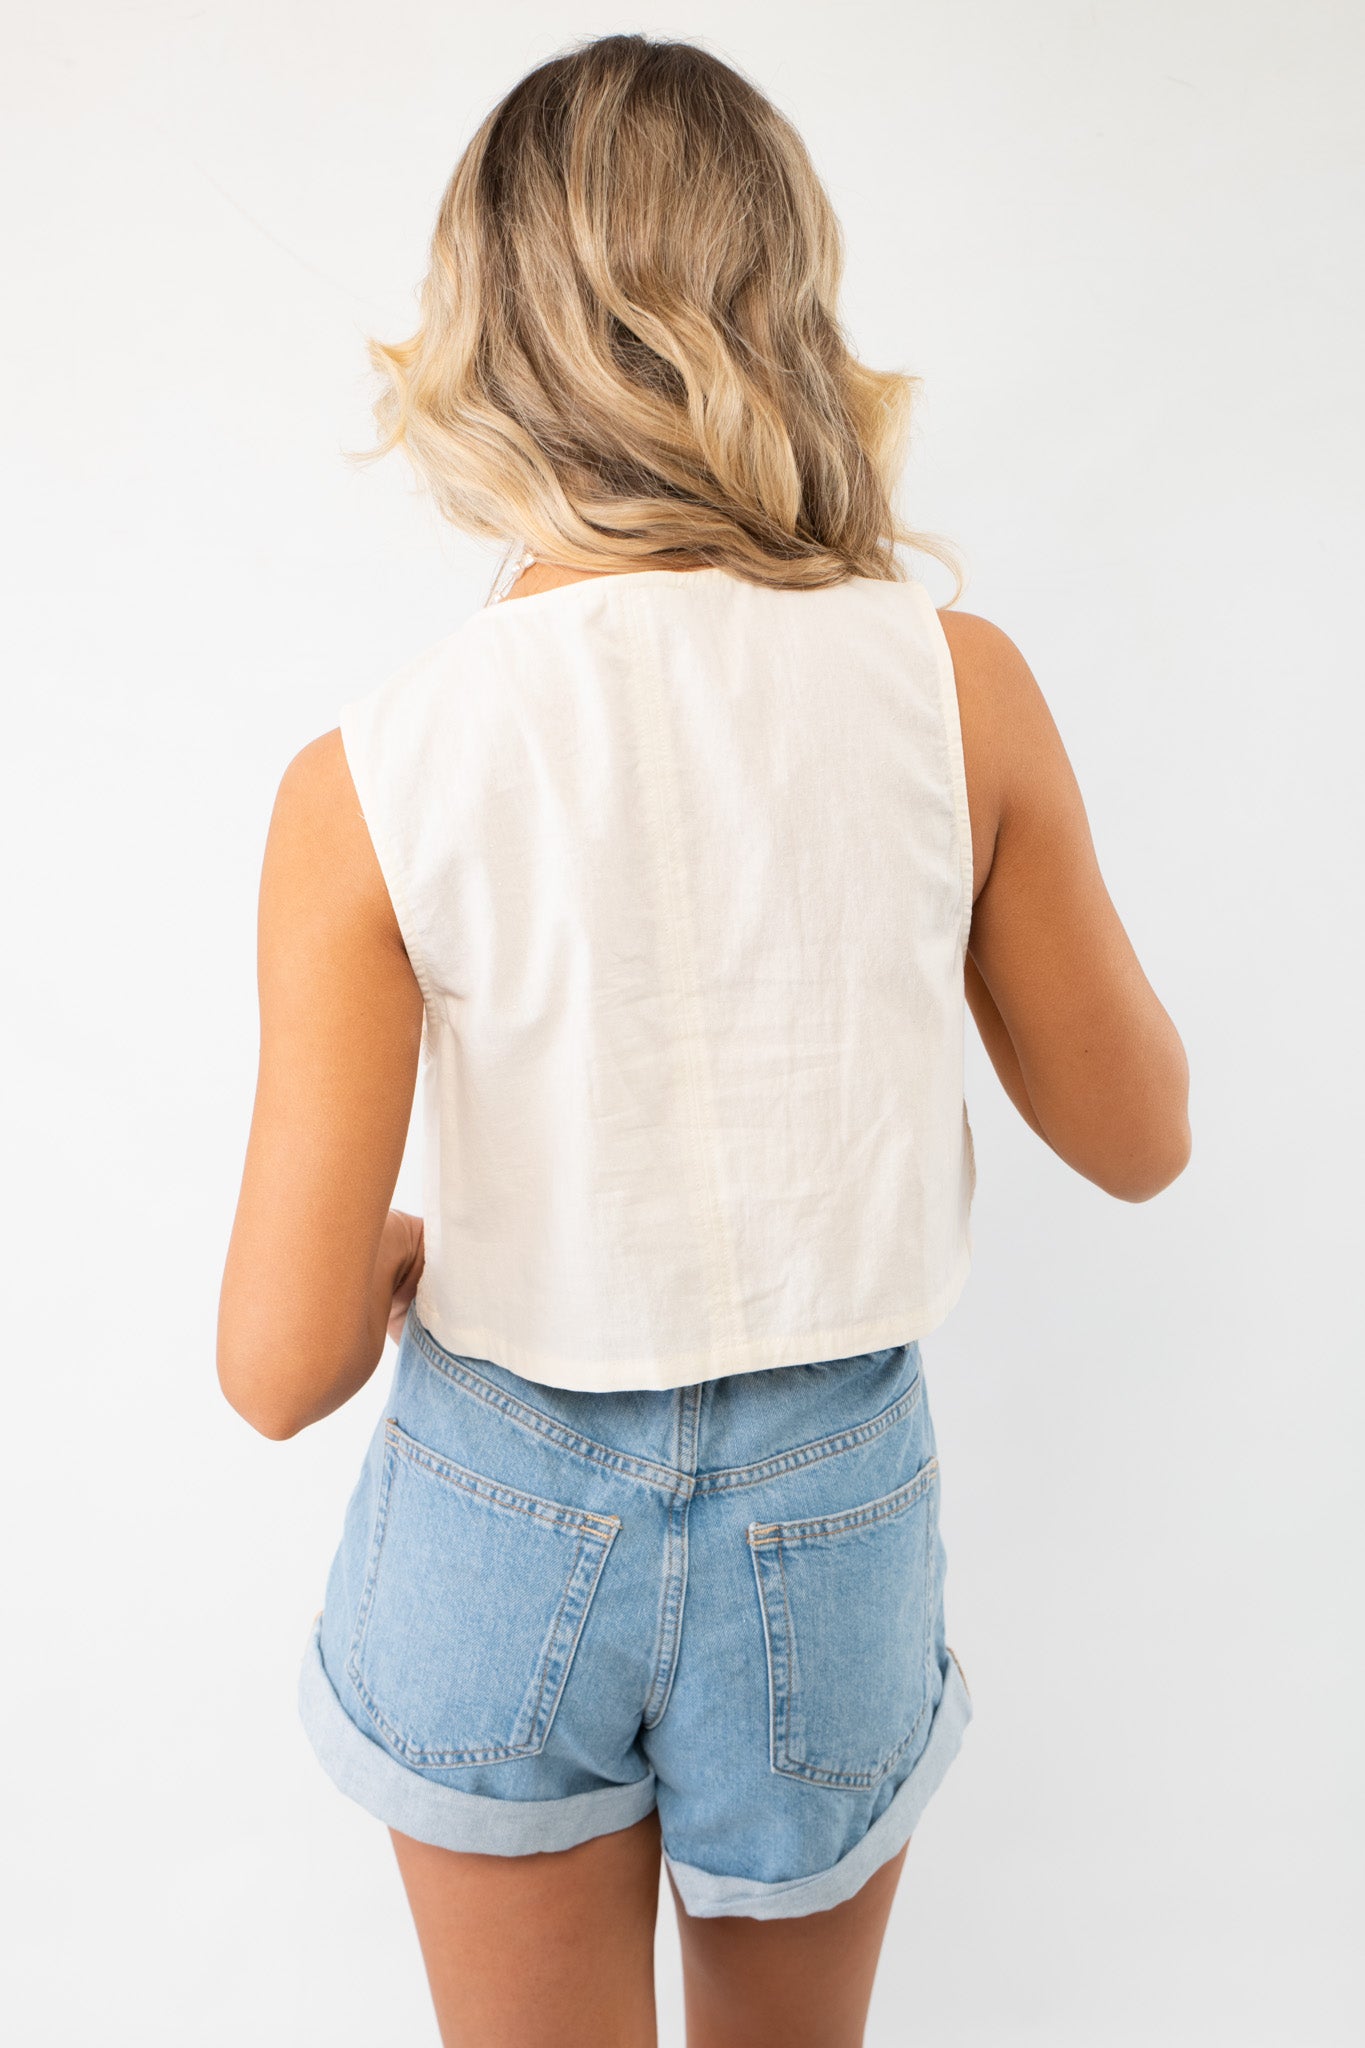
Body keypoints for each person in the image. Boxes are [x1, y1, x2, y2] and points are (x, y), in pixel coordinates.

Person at [217, 32, 1191, 2048]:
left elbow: (277, 1364)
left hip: (495, 1502)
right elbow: (1137, 1132)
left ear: (487, 337)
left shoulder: (372, 776)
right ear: (786, 309)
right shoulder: (954, 689)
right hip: (824, 1512)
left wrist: (397, 1253)